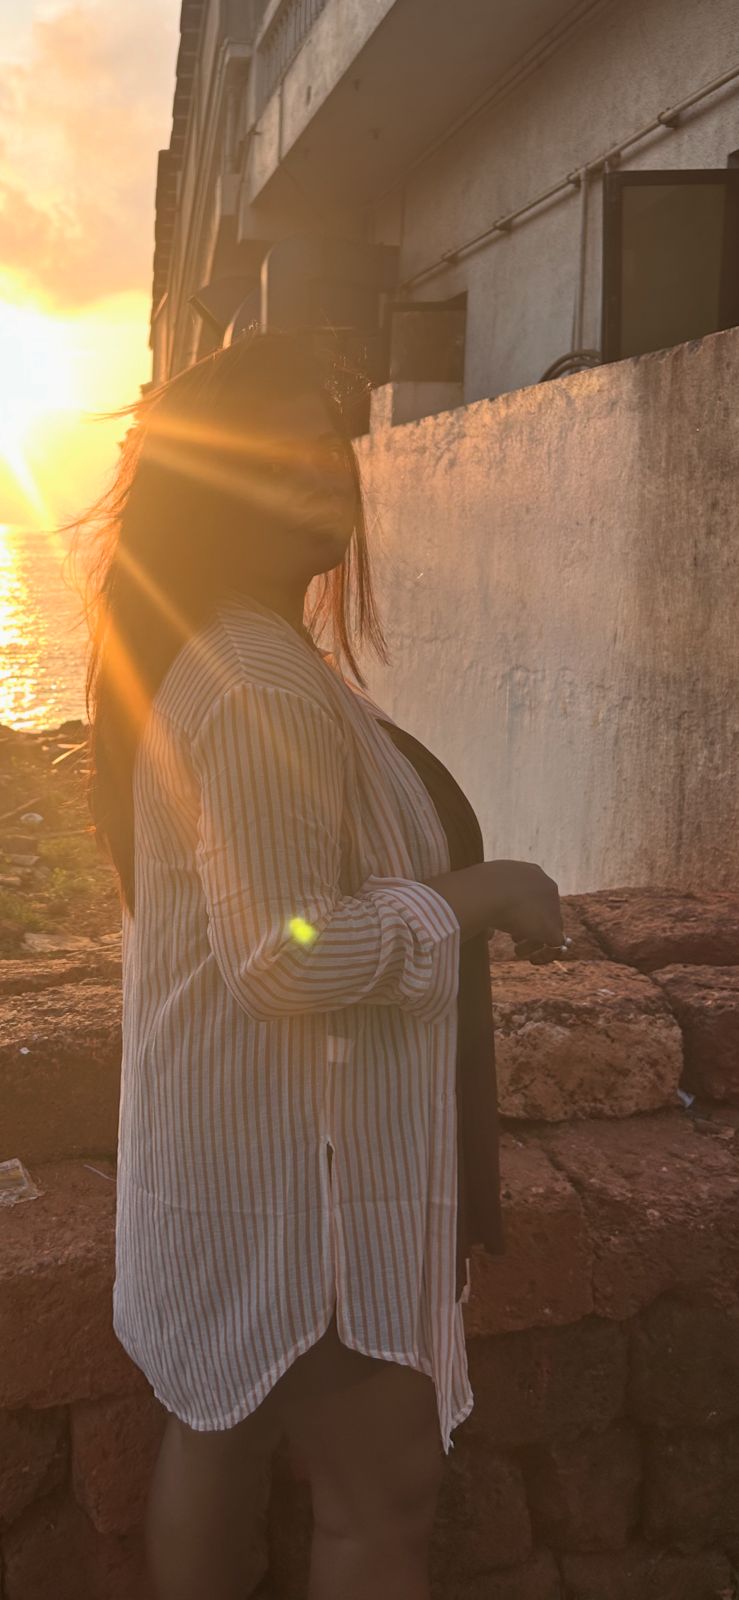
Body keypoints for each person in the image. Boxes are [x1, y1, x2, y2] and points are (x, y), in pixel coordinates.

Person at [68, 328, 566, 1600]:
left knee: (217, 1436)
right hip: (309, 1190)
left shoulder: (223, 655)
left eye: (326, 445)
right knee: (379, 1501)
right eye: (274, 453)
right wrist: (480, 892)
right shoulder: (259, 683)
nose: (319, 473)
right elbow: (284, 950)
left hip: (241, 1159)